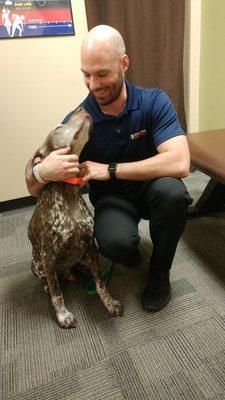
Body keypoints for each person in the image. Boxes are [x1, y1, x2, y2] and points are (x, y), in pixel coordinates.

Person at [25, 25, 192, 312]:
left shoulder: (154, 102)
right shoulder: (82, 117)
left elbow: (180, 162)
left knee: (173, 193)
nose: (92, 84)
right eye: (86, 74)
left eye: (102, 74)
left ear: (123, 63)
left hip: (153, 189)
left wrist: (111, 169)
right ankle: (129, 252)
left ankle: (159, 274)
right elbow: (32, 180)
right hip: (113, 201)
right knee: (115, 244)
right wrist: (42, 171)